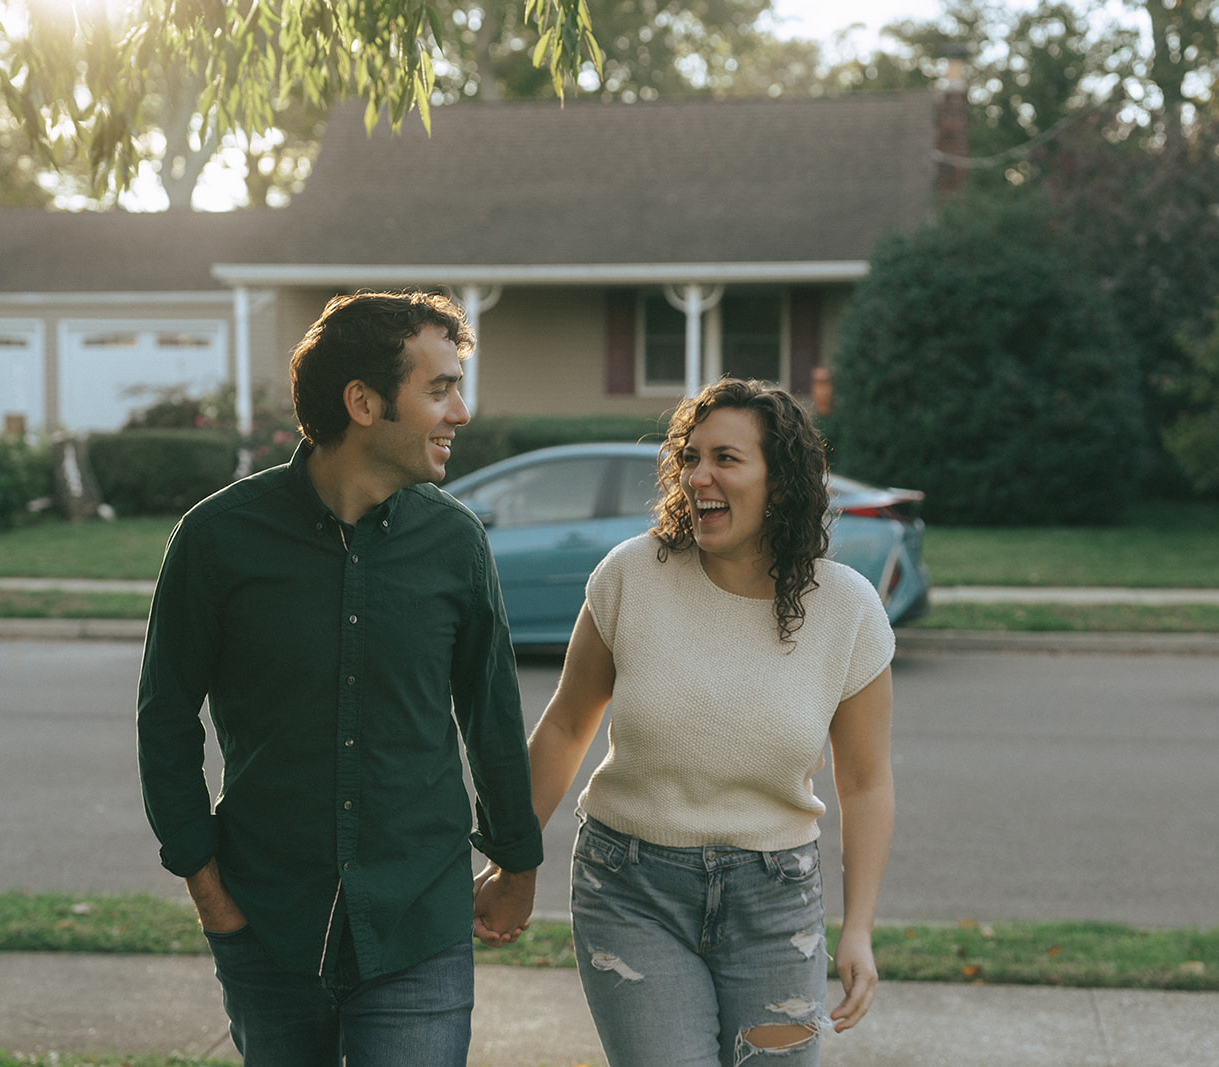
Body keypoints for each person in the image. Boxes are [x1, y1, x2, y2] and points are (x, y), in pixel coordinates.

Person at [137, 290, 542, 1066]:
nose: (460, 411)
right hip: (267, 923)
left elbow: (490, 713)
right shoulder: (218, 538)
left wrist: (517, 858)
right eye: (438, 388)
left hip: (418, 926)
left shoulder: (455, 544)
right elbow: (164, 717)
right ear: (363, 401)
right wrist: (206, 886)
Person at [475, 377, 896, 1066]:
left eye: (726, 458)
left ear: (781, 482)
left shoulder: (846, 608)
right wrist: (510, 866)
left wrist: (859, 929)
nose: (699, 475)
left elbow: (868, 781)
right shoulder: (631, 576)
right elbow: (562, 728)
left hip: (777, 906)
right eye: (690, 457)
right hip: (631, 890)